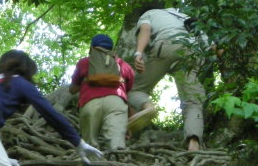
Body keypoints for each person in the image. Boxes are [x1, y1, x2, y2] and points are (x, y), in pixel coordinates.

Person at [127, 8, 210, 151]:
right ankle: (194, 143)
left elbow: (145, 30)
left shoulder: (149, 13)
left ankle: (148, 108)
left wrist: (138, 53)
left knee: (135, 89)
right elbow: (210, 45)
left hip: (166, 46)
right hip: (193, 52)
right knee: (193, 100)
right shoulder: (185, 16)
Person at [69, 34, 135, 150]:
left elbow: (72, 90)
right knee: (117, 143)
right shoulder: (123, 64)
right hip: (116, 102)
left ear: (92, 48)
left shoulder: (84, 63)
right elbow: (128, 90)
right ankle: (117, 164)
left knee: (90, 144)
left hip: (89, 102)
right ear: (111, 48)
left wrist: (86, 81)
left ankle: (93, 165)